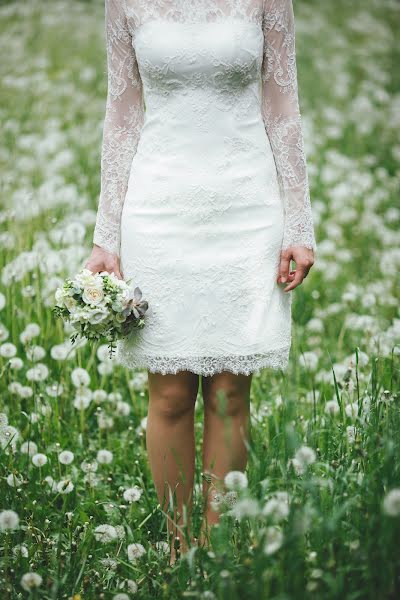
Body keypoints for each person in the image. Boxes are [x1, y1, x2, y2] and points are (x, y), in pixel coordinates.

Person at [85, 0, 317, 565]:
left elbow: (282, 104)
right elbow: (122, 112)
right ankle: (177, 548)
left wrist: (299, 220)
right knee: (168, 395)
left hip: (246, 205)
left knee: (230, 392)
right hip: (158, 206)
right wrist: (105, 234)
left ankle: (217, 553)